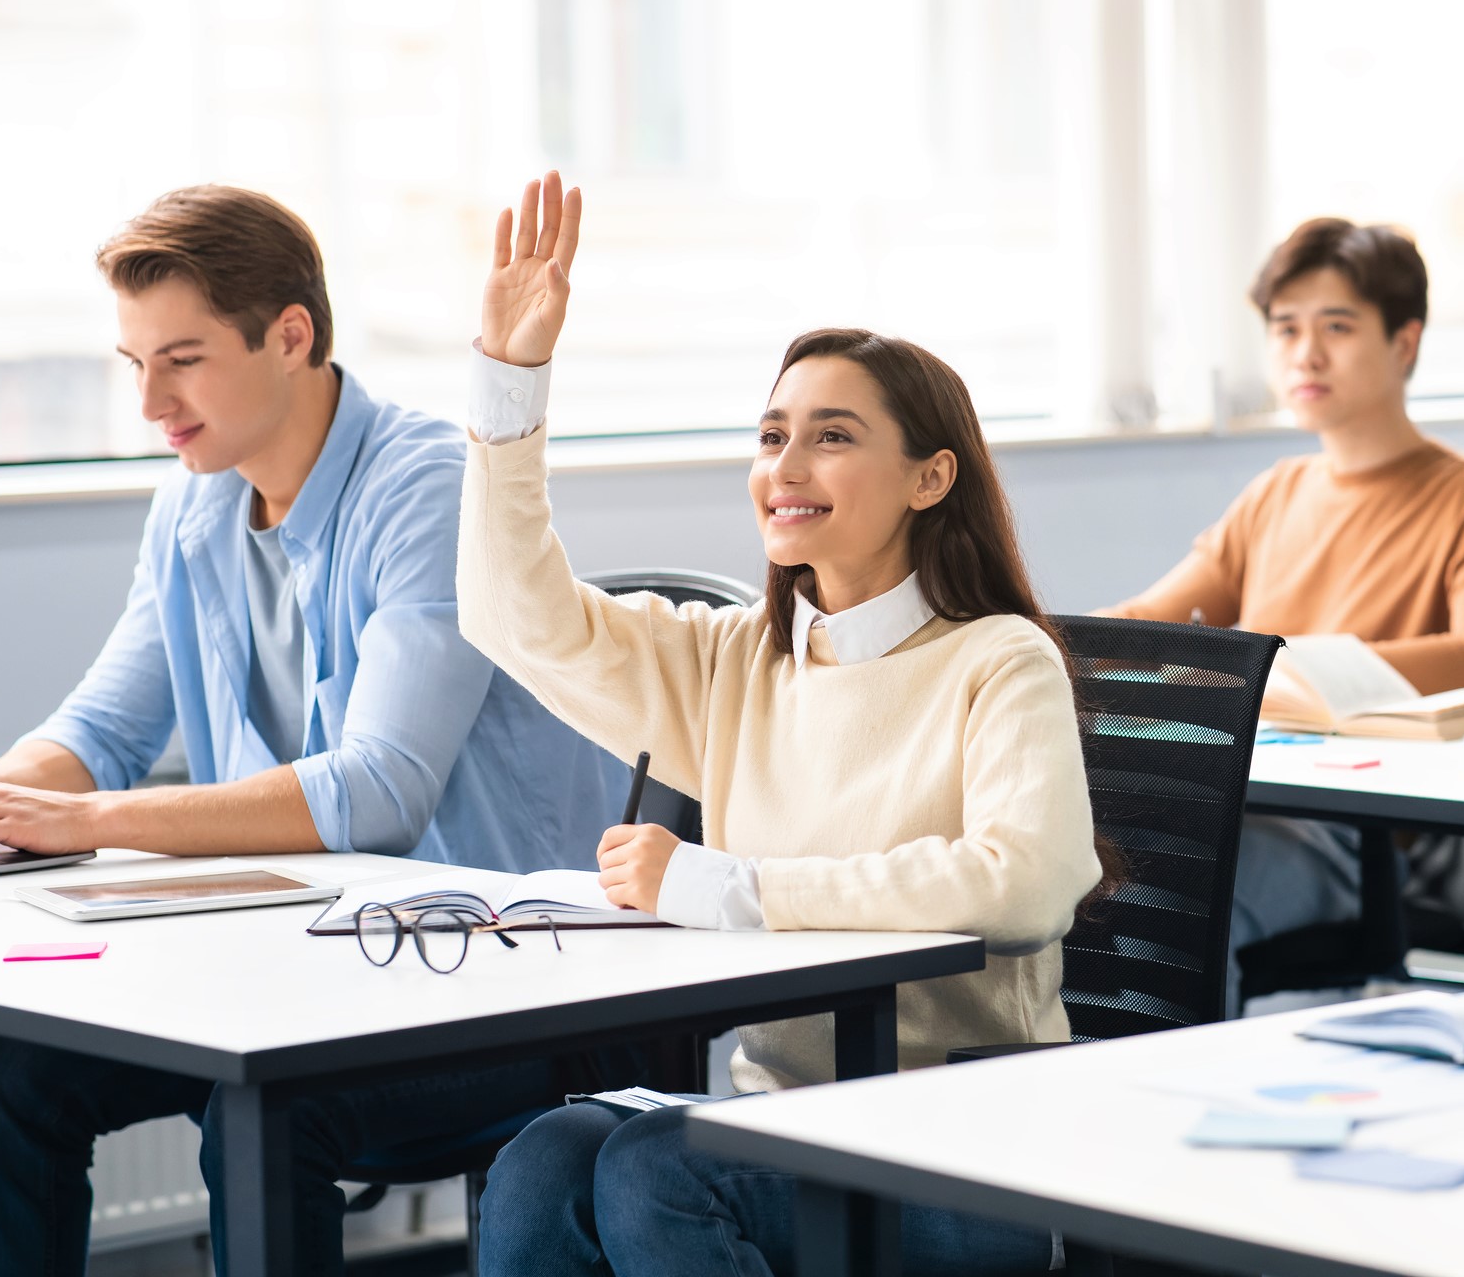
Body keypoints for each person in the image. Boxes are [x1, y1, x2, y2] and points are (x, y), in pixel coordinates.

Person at [0, 186, 643, 1277]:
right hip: (305, 973)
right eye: (134, 363)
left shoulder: (427, 489)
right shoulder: (196, 501)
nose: (151, 403)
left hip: (508, 984)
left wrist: (78, 816)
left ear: (291, 335)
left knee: (265, 1114)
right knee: (12, 1077)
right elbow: (101, 728)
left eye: (180, 359)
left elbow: (380, 789)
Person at [460, 171, 1104, 1275]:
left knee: (655, 1168)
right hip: (785, 1123)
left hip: (979, 1155)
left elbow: (1027, 881)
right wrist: (510, 384)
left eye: (832, 437)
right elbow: (512, 618)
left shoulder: (999, 659)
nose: (785, 468)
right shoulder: (736, 660)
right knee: (546, 1157)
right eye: (771, 435)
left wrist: (732, 888)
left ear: (929, 476)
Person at [1102, 218, 1464, 1012]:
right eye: (1285, 329)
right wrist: (1018, 639)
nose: (1305, 354)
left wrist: (1283, 668)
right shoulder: (1276, 491)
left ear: (1404, 343)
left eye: (1336, 328)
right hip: (1226, 800)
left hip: (1342, 836)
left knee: (1167, 909)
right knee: (1065, 887)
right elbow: (1152, 618)